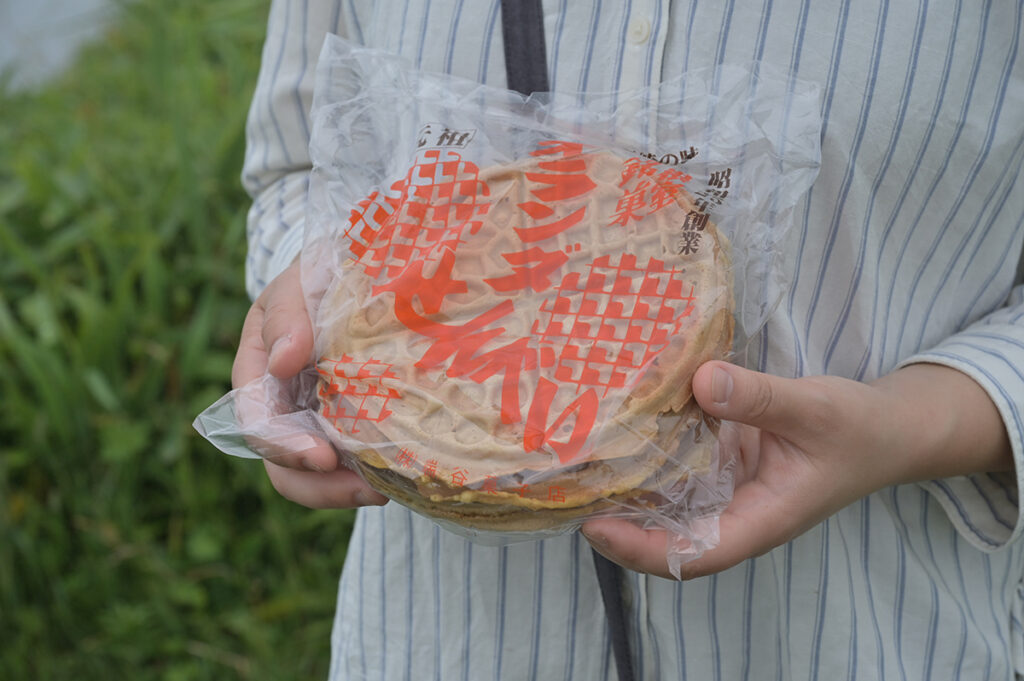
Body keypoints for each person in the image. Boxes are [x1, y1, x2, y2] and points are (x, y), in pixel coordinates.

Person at [232, 1, 1024, 678]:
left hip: (856, 632)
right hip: (440, 637)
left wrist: (913, 424)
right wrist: (309, 319)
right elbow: (295, 168)